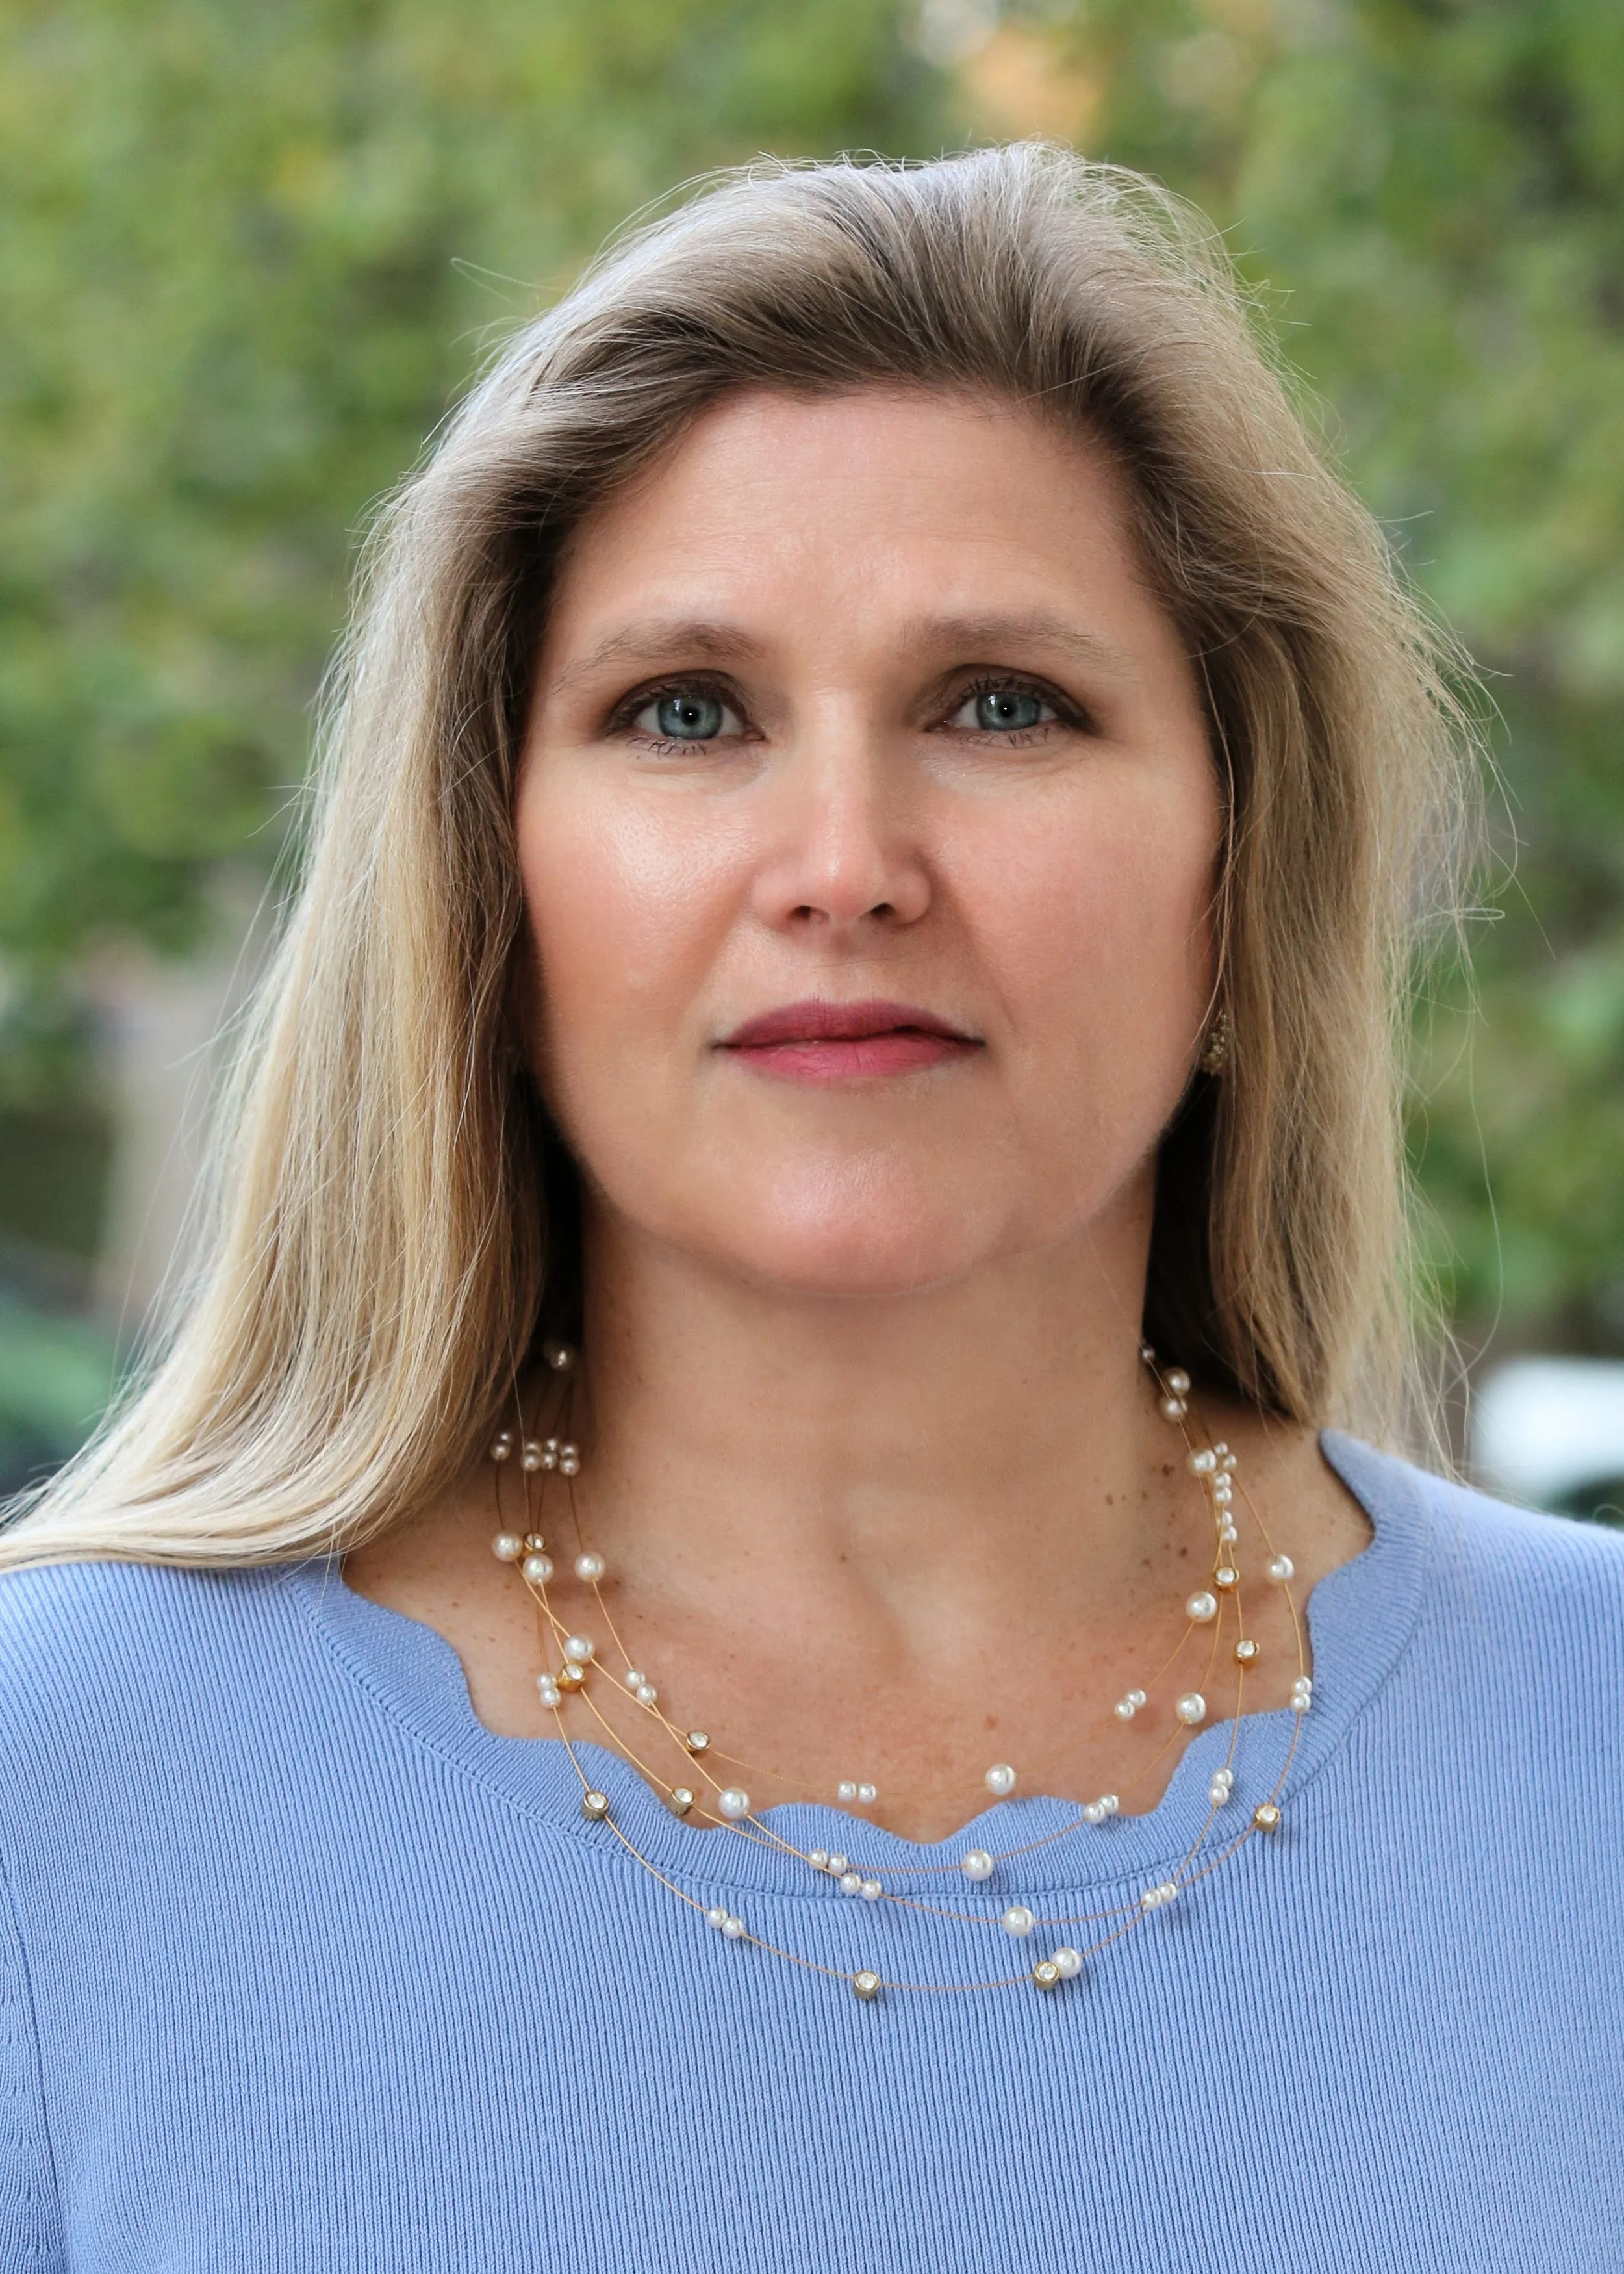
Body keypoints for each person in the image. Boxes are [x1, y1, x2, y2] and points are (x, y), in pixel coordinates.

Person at [1, 144, 1619, 2273]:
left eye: (1001, 705)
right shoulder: (57, 1797)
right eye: (686, 712)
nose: (843, 859)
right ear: (487, 881)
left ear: (1244, 870)